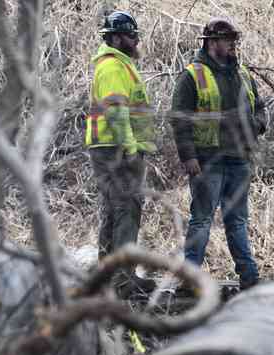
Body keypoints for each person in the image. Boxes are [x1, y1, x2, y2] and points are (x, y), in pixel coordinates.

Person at [170, 17, 267, 291]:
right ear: (212, 42)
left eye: (234, 40)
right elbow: (179, 118)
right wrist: (188, 157)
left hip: (239, 159)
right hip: (207, 161)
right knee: (201, 220)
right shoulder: (192, 75)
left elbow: (259, 107)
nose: (233, 45)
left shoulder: (244, 73)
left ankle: (249, 279)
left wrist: (257, 124)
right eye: (228, 40)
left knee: (237, 221)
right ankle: (190, 283)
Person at [86, 10, 157, 298]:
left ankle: (108, 275)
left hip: (110, 147)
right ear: (115, 37)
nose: (135, 39)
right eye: (130, 35)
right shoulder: (114, 67)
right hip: (115, 148)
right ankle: (122, 280)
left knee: (114, 210)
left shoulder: (119, 64)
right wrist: (130, 148)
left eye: (135, 34)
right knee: (126, 209)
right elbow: (116, 113)